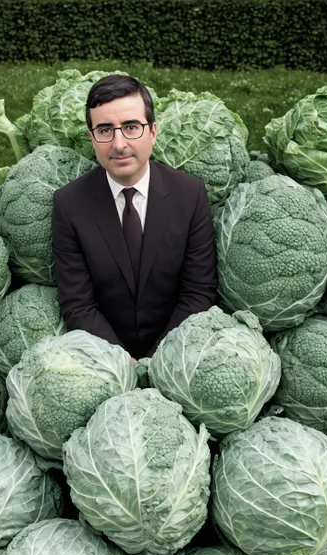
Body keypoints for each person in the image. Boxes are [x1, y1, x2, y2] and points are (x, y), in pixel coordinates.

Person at [51, 74, 218, 361]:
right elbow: (78, 304)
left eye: (131, 127)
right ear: (92, 139)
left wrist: (159, 360)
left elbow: (199, 292)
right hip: (104, 359)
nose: (118, 144)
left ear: (153, 131)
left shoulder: (190, 194)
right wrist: (122, 362)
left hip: (177, 355)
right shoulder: (69, 204)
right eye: (105, 130)